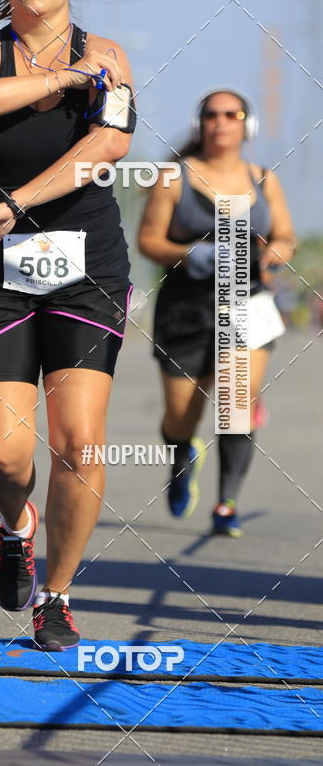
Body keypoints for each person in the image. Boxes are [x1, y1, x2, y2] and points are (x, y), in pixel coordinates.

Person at [0, 0, 136, 651]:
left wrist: (14, 204)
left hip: (85, 265)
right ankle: (15, 525)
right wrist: (56, 78)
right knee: (2, 457)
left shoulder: (108, 55)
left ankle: (55, 595)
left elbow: (107, 145)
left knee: (81, 445)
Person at [138, 89, 296, 537]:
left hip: (246, 302)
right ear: (199, 123)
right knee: (179, 416)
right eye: (211, 115)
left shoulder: (264, 179)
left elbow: (284, 234)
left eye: (231, 114)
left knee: (236, 400)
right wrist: (188, 255)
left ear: (247, 124)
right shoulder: (174, 177)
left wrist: (277, 252)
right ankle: (182, 455)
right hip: (185, 309)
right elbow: (148, 240)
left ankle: (227, 503)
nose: (220, 123)